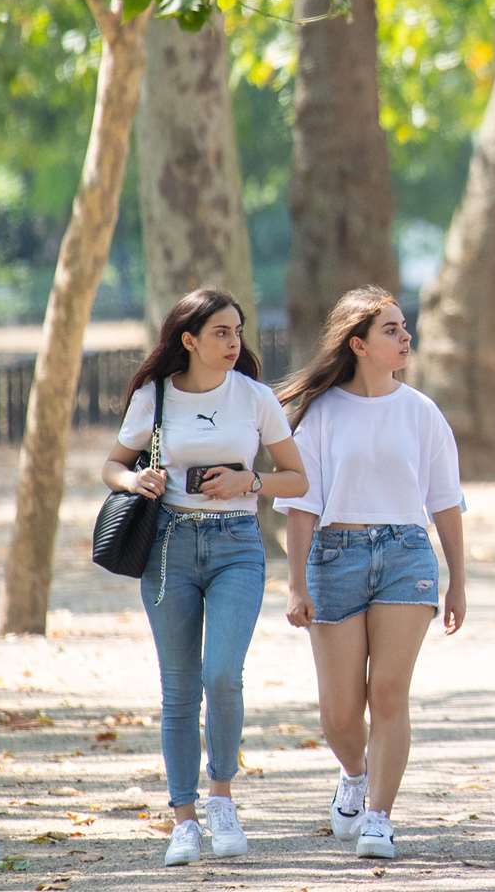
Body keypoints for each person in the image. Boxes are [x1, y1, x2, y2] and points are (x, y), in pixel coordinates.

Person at [103, 289, 308, 866]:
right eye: (221, 332)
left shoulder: (255, 397)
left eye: (238, 331)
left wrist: (250, 482)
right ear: (189, 339)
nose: (234, 342)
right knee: (178, 688)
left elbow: (297, 477)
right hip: (169, 545)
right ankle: (184, 818)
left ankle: (222, 795)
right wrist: (133, 482)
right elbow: (112, 464)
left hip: (237, 547)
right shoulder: (155, 396)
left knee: (222, 675)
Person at [275, 287, 467, 862]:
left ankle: (379, 817)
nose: (405, 337)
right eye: (391, 329)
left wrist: (458, 578)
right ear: (357, 344)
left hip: (407, 554)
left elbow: (446, 502)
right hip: (335, 554)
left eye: (404, 327)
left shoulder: (422, 412)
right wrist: (296, 582)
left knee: (388, 692)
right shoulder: (320, 415)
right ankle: (355, 775)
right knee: (338, 711)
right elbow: (302, 508)